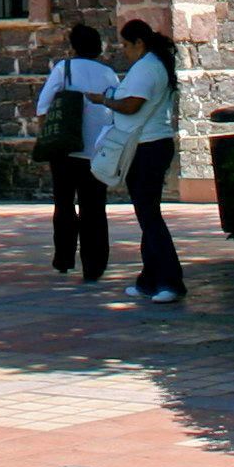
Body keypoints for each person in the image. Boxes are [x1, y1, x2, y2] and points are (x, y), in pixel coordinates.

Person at [93, 18, 183, 304]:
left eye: (125, 45)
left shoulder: (147, 67)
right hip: (149, 145)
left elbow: (132, 105)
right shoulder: (153, 64)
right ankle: (149, 280)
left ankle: (171, 281)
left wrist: (105, 100)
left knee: (150, 216)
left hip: (147, 147)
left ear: (139, 43)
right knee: (147, 215)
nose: (124, 51)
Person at [36, 23, 119, 281]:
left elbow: (43, 107)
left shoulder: (64, 69)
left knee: (63, 204)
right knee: (94, 208)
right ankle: (94, 264)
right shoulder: (109, 74)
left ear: (74, 46)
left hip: (66, 148)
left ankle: (64, 257)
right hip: (97, 150)